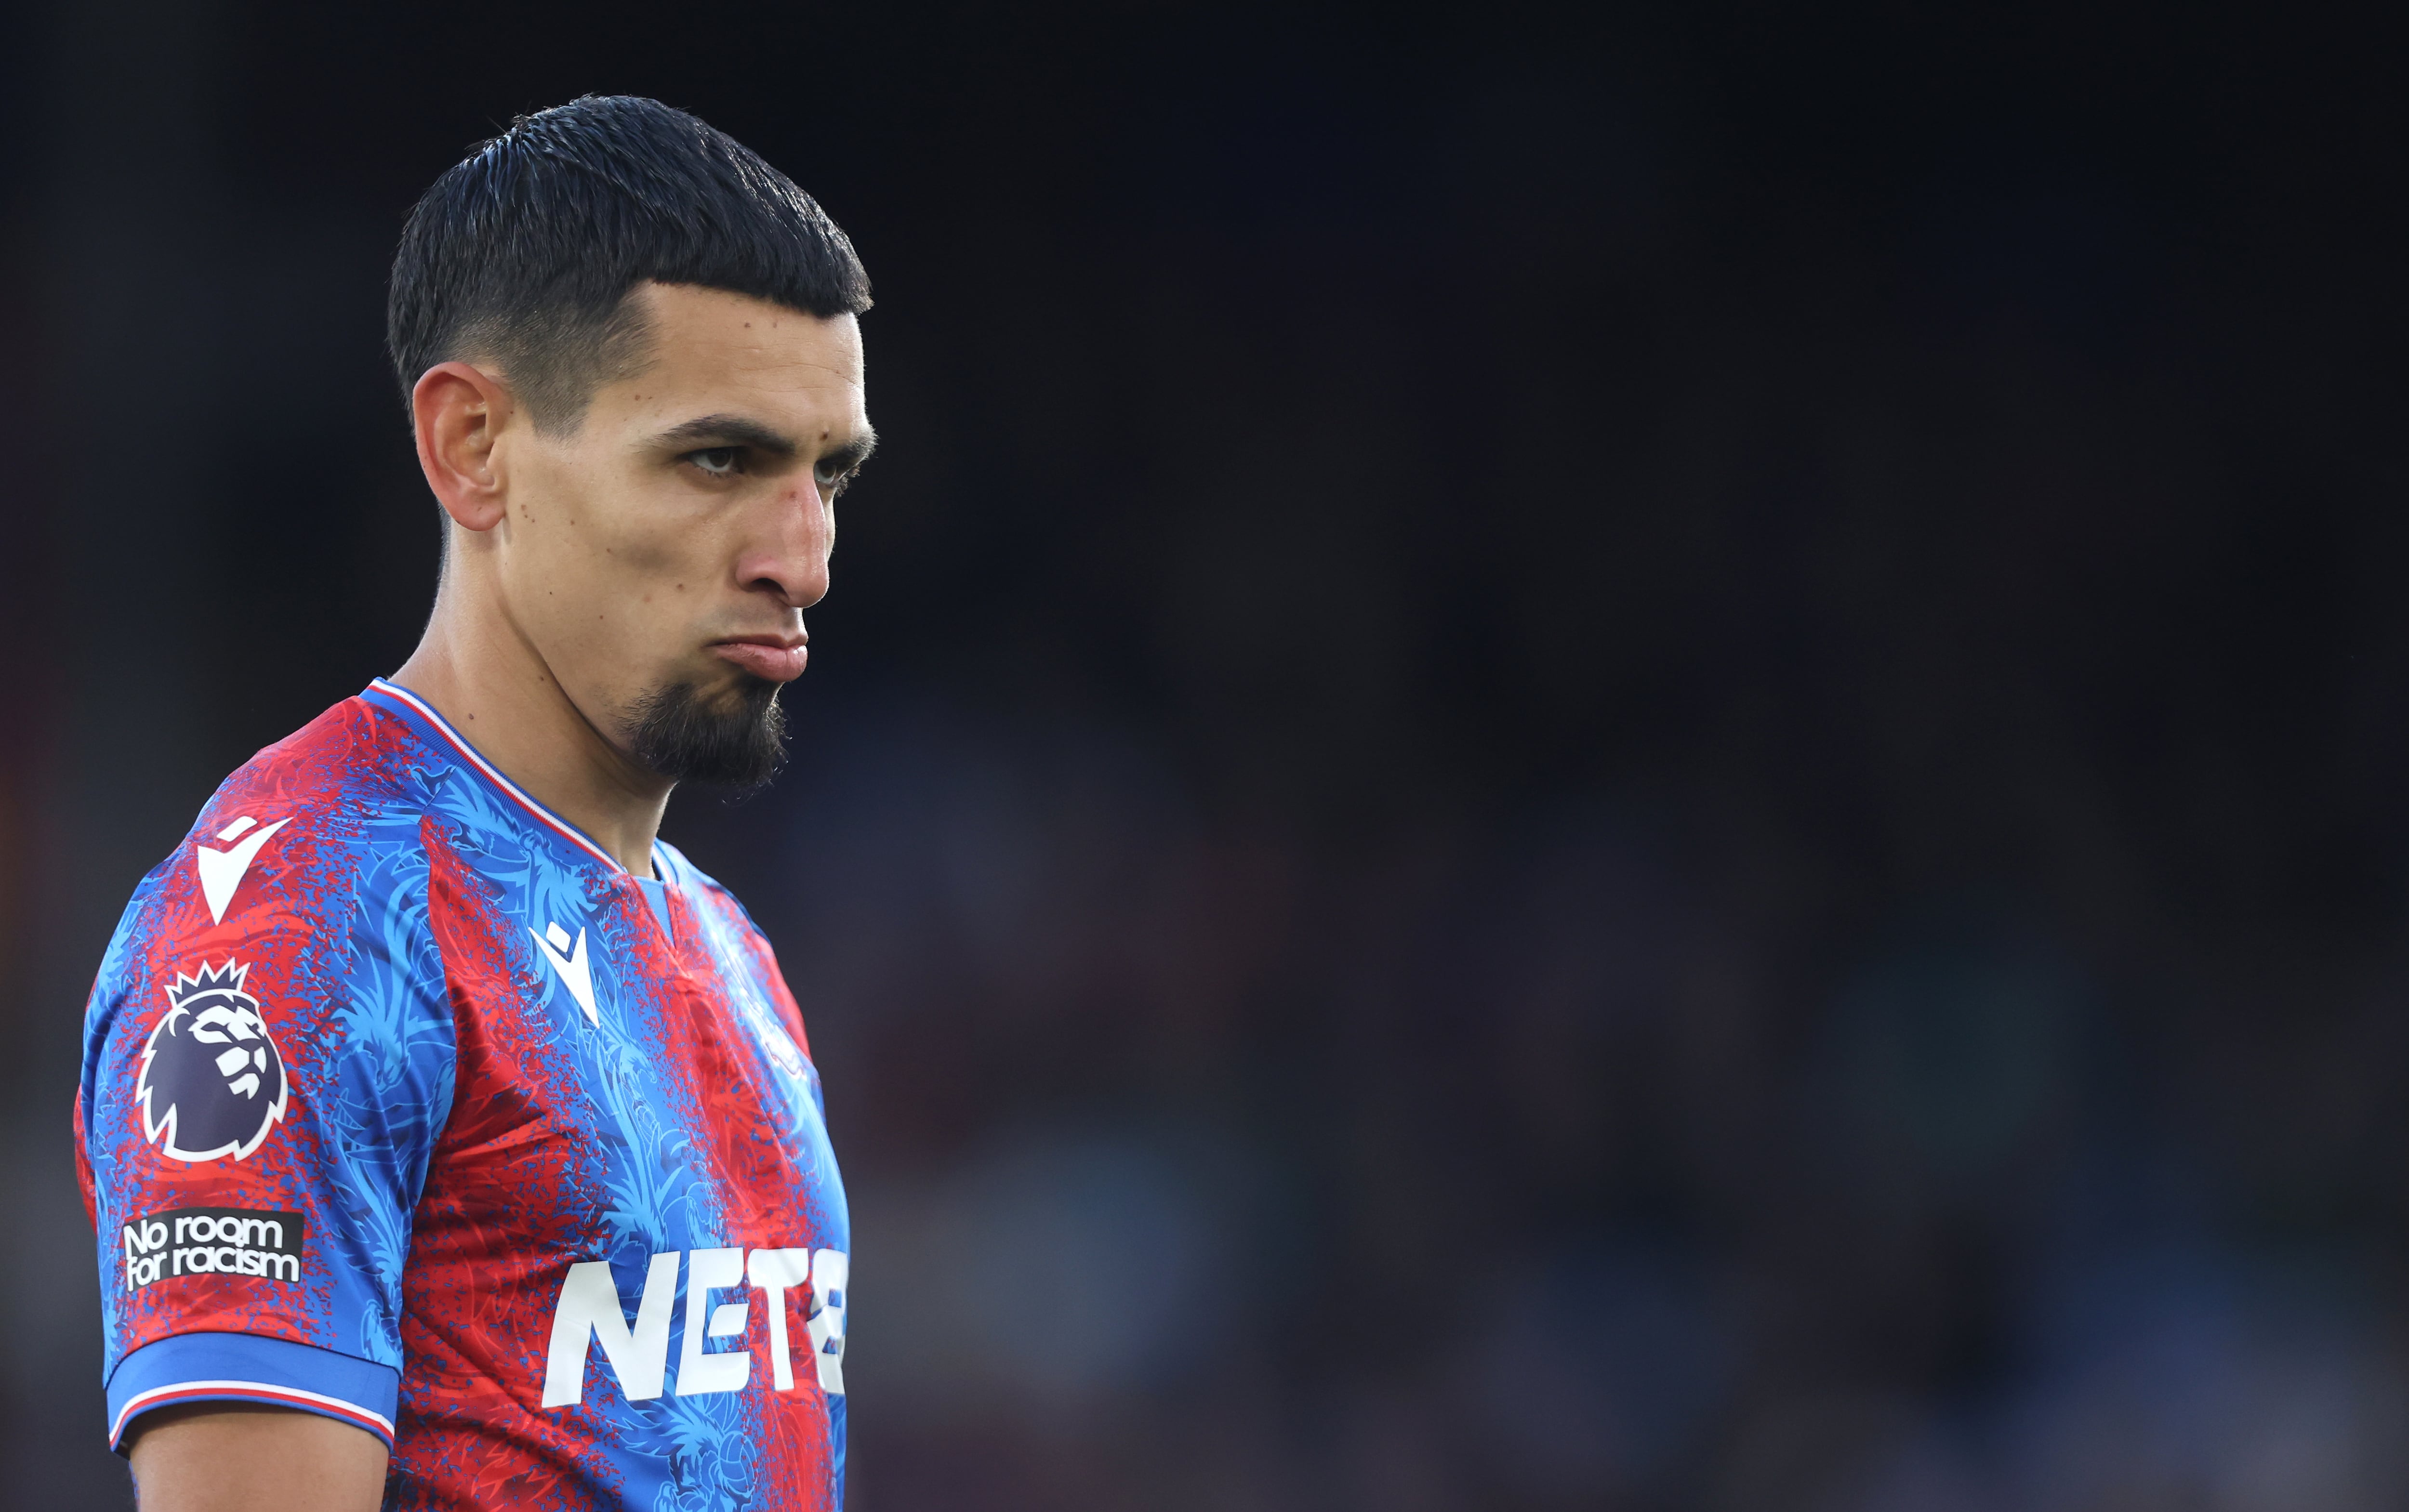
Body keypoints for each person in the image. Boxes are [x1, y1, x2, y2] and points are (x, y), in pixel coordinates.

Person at [74, 95, 874, 1510]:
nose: (802, 560)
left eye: (828, 475)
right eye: (720, 460)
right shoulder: (301, 928)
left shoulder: (729, 949)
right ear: (474, 446)